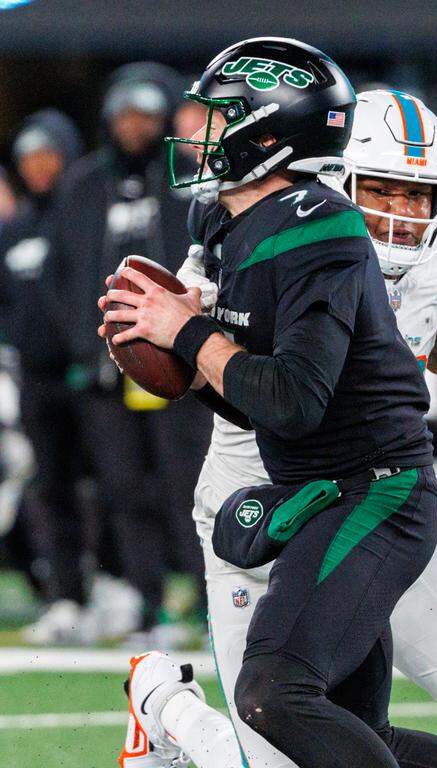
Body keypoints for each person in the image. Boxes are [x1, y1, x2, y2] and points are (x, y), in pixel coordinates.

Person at [131, 87, 437, 768]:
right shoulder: (258, 239)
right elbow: (189, 362)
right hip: (263, 499)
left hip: (373, 494)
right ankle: (168, 710)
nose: (402, 214)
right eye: (385, 190)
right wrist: (184, 331)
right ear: (332, 179)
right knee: (279, 745)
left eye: (421, 196)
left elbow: (436, 340)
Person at [49, 62, 209, 643]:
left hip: (179, 368)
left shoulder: (194, 181)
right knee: (122, 491)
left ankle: (210, 604)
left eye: (145, 114)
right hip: (105, 371)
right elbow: (61, 277)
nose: (133, 126)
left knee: (187, 487)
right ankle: (148, 605)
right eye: (123, 115)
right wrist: (79, 344)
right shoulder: (84, 184)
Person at [0, 109, 89, 642]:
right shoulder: (12, 232)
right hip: (34, 377)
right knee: (49, 487)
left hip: (91, 375)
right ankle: (66, 594)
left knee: (110, 484)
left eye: (48, 156)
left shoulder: (84, 219)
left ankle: (124, 586)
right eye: (29, 159)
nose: (39, 168)